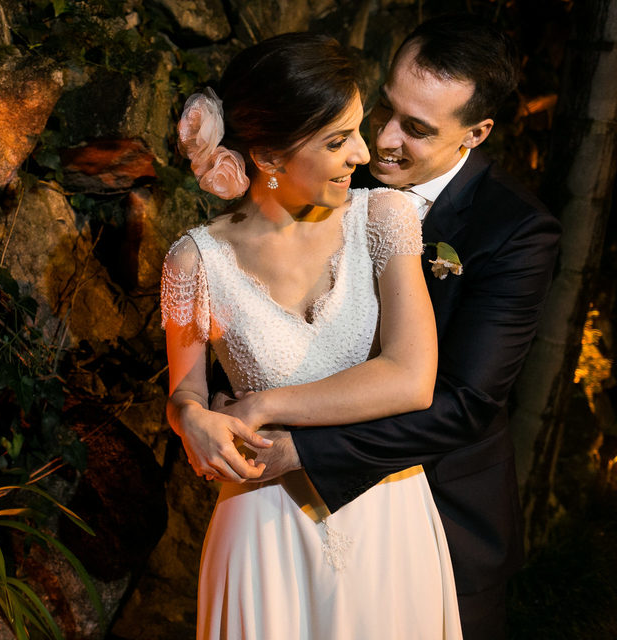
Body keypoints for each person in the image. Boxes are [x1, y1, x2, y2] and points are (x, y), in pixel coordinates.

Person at [213, 15, 562, 639]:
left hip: (445, 515)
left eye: (417, 129)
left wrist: (301, 449)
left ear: (475, 134)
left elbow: (465, 402)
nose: (382, 141)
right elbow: (262, 293)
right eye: (385, 110)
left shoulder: (514, 231)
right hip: (289, 515)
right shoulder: (335, 172)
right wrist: (224, 393)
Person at [161, 32, 462, 639]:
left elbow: (411, 377)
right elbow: (184, 393)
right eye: (336, 140)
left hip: (385, 514)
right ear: (268, 156)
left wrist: (264, 404)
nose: (362, 152)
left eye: (356, 129)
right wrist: (190, 418)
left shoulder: (384, 219)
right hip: (261, 527)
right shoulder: (195, 262)